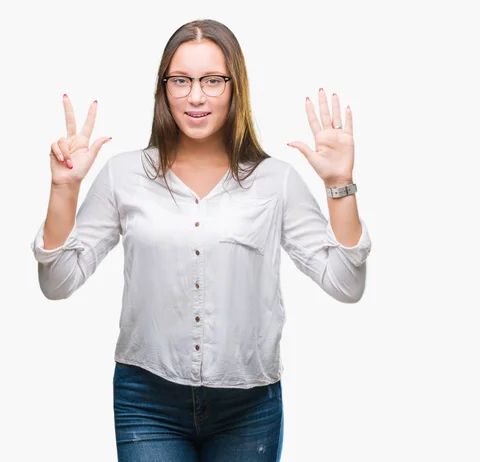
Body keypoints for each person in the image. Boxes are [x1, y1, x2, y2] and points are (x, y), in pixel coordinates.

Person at [30, 18, 371, 462]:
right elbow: (57, 284)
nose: (195, 96)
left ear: (234, 87)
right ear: (163, 88)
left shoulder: (275, 182)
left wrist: (339, 186)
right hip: (146, 399)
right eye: (181, 80)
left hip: (249, 405)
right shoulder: (123, 175)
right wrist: (64, 190)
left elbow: (347, 285)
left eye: (212, 80)